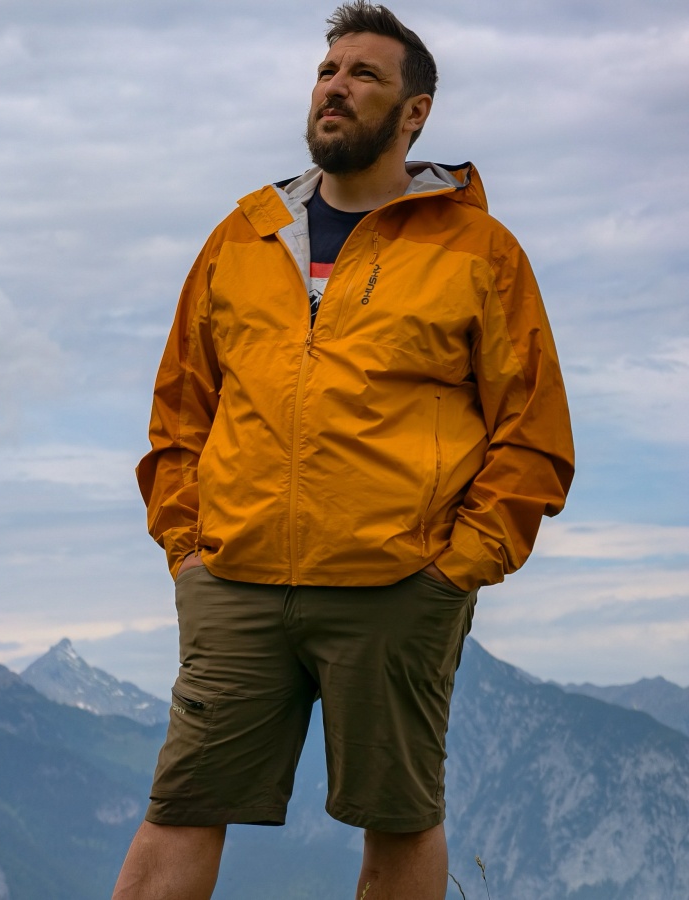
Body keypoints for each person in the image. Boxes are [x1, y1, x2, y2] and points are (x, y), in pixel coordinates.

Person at [111, 3, 575, 899]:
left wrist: (451, 572)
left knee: (399, 819)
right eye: (328, 70)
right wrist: (188, 550)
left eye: (365, 74)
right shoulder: (242, 238)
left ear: (414, 112)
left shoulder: (478, 250)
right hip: (236, 582)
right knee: (180, 806)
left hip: (396, 588)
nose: (336, 86)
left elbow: (534, 435)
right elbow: (180, 414)